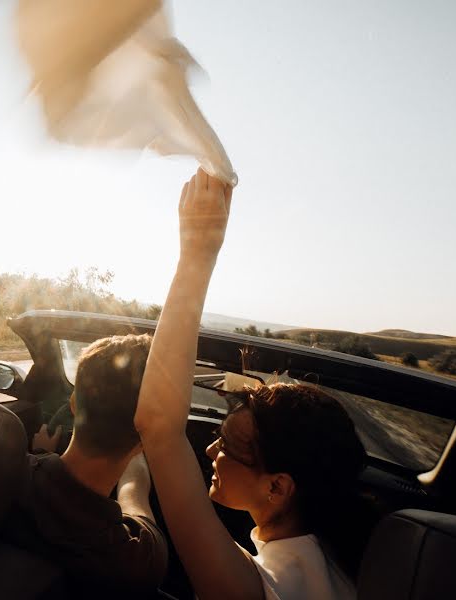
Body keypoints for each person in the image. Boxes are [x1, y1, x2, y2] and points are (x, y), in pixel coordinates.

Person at [134, 168, 374, 600]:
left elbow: (157, 425)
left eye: (226, 445)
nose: (209, 449)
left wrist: (197, 252)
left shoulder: (269, 591)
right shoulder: (330, 565)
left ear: (277, 487)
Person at [3, 334, 168, 595]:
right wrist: (139, 452)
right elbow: (135, 497)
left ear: (72, 404)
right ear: (145, 437)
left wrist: (41, 453)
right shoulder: (136, 557)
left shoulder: (0, 478)